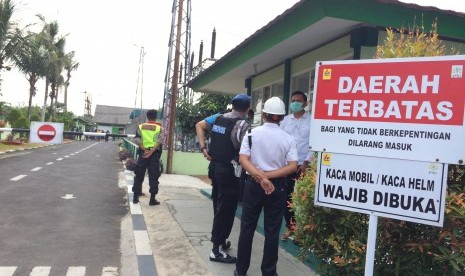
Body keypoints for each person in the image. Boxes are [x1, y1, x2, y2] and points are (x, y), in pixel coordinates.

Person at [235, 97, 298, 276]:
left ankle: (241, 271)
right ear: (283, 117)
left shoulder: (251, 135)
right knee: (272, 231)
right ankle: (269, 272)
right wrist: (268, 178)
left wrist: (261, 177)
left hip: (253, 186)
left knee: (247, 228)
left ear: (263, 115)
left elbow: (243, 160)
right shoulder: (288, 139)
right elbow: (292, 166)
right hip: (277, 188)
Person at [195, 94, 251, 264]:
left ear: (232, 105)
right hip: (230, 172)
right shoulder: (243, 125)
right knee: (226, 209)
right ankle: (216, 251)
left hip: (214, 168)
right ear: (247, 109)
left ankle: (221, 240)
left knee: (219, 206)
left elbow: (199, 125)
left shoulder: (218, 118)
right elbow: (247, 151)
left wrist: (203, 147)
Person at [279, 90, 311, 241]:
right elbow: (280, 141)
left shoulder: (311, 120)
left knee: (304, 198)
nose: (295, 103)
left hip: (305, 165)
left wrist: (306, 162)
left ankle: (304, 231)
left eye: (298, 101)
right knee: (287, 197)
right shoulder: (285, 121)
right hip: (288, 165)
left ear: (305, 103)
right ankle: (291, 227)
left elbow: (314, 143)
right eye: (293, 100)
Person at [132, 109, 163, 206]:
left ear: (147, 116)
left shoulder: (141, 127)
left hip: (143, 153)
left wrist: (144, 150)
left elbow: (136, 139)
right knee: (154, 176)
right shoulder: (160, 128)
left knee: (139, 174)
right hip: (154, 154)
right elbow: (160, 141)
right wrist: (151, 152)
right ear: (156, 117)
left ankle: (135, 197)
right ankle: (152, 199)